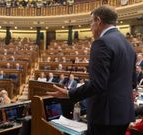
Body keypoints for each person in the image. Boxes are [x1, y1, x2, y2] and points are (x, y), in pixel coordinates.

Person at [47, 6, 136, 135]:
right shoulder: (128, 45)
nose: (90, 27)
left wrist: (69, 93)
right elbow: (132, 82)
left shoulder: (102, 43)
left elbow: (98, 84)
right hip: (124, 114)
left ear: (98, 20)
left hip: (105, 116)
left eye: (91, 22)